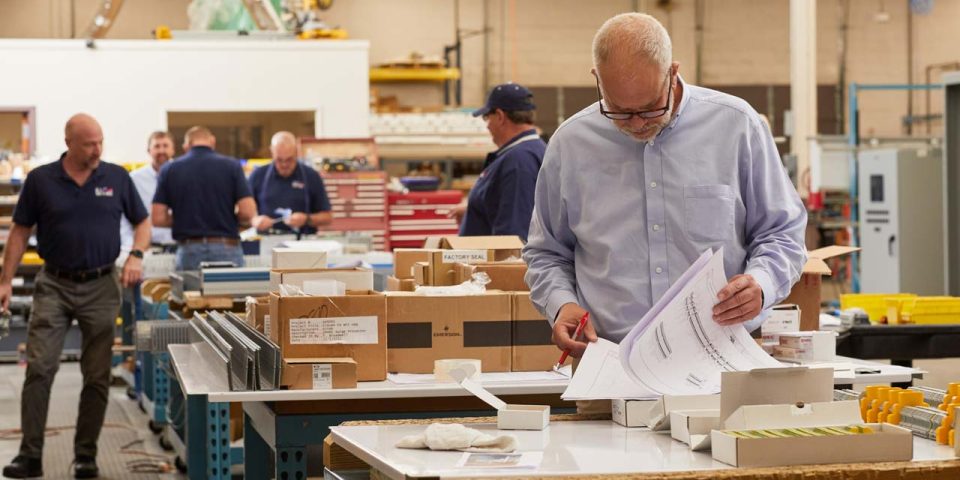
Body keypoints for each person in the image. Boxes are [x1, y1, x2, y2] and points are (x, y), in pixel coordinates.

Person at [523, 13, 807, 361]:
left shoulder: (736, 127)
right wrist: (561, 304)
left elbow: (782, 232)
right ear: (598, 80)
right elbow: (547, 252)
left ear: (672, 73)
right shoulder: (571, 144)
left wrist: (761, 283)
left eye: (649, 107)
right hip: (610, 363)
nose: (638, 123)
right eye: (620, 111)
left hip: (721, 360)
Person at [0, 114, 150, 479]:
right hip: (54, 284)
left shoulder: (116, 177)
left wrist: (136, 254)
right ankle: (30, 455)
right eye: (89, 143)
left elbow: (142, 223)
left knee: (97, 375)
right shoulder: (41, 180)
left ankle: (86, 456)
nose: (97, 149)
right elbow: (20, 232)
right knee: (40, 368)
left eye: (100, 141)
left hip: (102, 285)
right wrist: (5, 281)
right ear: (69, 142)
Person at [452, 83, 546, 241]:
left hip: (496, 263)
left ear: (500, 116)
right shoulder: (527, 152)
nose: (487, 126)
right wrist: (475, 212)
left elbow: (513, 239)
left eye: (487, 117)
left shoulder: (519, 161)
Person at [152, 126, 256, 270]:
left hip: (189, 250)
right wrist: (225, 220)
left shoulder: (170, 169)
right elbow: (248, 213)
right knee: (230, 292)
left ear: (186, 146)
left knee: (190, 293)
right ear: (212, 141)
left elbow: (158, 218)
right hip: (227, 247)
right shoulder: (232, 166)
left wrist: (185, 219)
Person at [249, 131, 332, 236]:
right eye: (279, 160)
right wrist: (255, 220)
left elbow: (327, 217)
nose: (284, 165)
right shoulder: (258, 175)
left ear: (297, 152)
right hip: (266, 240)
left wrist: (307, 219)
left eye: (289, 160)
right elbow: (244, 214)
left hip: (303, 242)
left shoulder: (311, 176)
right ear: (272, 152)